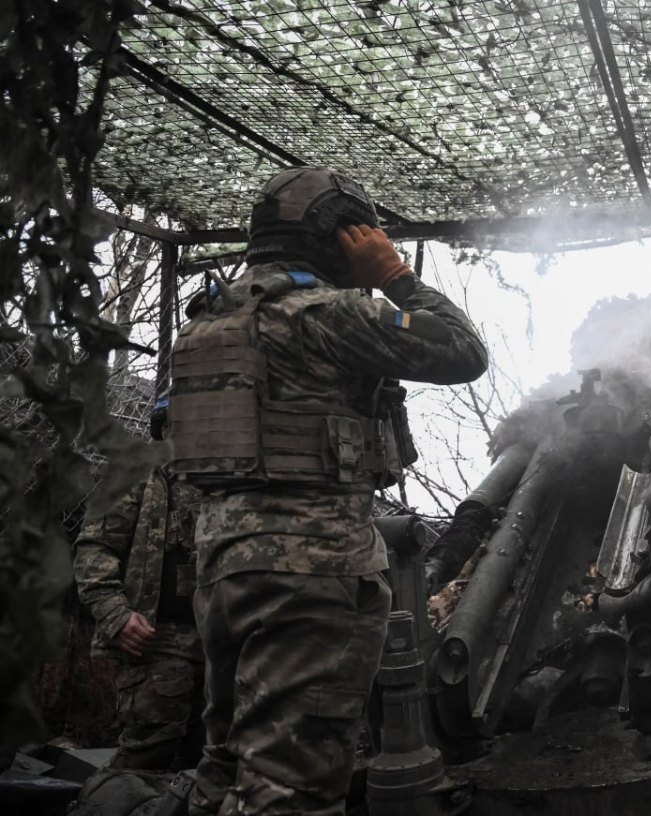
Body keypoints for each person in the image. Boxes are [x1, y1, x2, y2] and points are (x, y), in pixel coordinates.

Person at [169, 166, 487, 816]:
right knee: (292, 786)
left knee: (225, 766)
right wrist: (395, 276)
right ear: (339, 235)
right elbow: (462, 351)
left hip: (222, 569)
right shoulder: (328, 315)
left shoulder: (208, 321)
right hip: (309, 577)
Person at [73, 397, 205, 770]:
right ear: (163, 428)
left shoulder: (233, 478)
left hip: (225, 640)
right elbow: (95, 549)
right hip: (157, 639)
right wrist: (116, 615)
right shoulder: (136, 475)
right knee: (150, 751)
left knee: (220, 756)